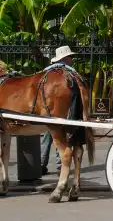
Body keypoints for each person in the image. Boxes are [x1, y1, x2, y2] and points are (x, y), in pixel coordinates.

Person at [41, 46, 75, 175]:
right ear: (65, 58)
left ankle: (41, 163)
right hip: (64, 109)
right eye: (70, 57)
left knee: (47, 136)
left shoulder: (46, 71)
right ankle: (60, 164)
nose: (71, 59)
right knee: (61, 135)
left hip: (47, 109)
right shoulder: (71, 72)